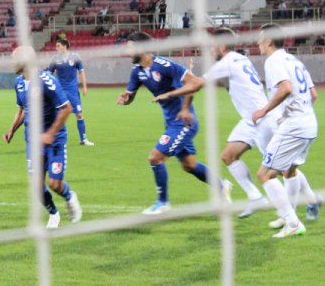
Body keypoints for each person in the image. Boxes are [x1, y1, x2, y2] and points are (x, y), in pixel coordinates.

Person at [153, 27, 321, 220]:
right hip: (250, 120)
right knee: (228, 156)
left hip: (263, 120)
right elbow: (218, 82)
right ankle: (255, 196)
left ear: (221, 46)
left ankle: (298, 208)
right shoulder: (240, 59)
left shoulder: (227, 62)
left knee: (281, 170)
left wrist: (170, 93)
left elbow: (198, 84)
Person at [116, 31, 230, 215]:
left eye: (130, 47)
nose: (127, 51)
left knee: (155, 158)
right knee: (189, 165)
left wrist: (185, 108)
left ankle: (162, 203)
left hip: (185, 123)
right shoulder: (137, 72)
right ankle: (222, 186)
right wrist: (125, 99)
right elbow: (130, 97)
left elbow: (194, 82)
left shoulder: (164, 65)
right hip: (171, 123)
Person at [250, 24, 320, 237]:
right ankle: (288, 215)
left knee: (264, 174)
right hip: (309, 124)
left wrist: (264, 110)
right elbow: (313, 95)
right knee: (289, 170)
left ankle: (292, 222)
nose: (258, 43)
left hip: (294, 127)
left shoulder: (274, 61)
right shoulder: (293, 59)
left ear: (269, 41)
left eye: (260, 39)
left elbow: (286, 88)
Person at [4, 47, 82, 228]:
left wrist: (50, 134)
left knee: (54, 183)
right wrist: (12, 130)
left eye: (14, 59)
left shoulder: (47, 81)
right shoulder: (19, 83)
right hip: (33, 141)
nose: (11, 62)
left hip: (54, 140)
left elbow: (66, 108)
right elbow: (23, 109)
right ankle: (54, 214)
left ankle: (70, 197)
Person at [48, 37, 93, 146]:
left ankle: (83, 139)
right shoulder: (55, 58)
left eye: (58, 46)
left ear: (64, 46)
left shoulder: (75, 57)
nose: (56, 48)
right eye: (56, 46)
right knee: (59, 115)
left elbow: (81, 72)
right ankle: (56, 139)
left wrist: (85, 86)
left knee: (79, 114)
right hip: (60, 91)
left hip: (73, 91)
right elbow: (49, 74)